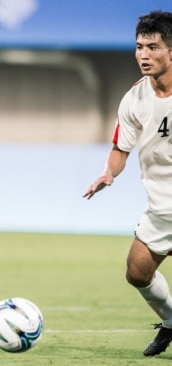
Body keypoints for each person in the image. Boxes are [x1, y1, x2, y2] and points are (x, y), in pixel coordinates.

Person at [84, 10, 172, 357]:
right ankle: (170, 322)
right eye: (139, 47)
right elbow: (121, 147)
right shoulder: (134, 99)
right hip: (161, 206)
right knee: (137, 272)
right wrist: (109, 172)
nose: (144, 55)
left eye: (153, 47)